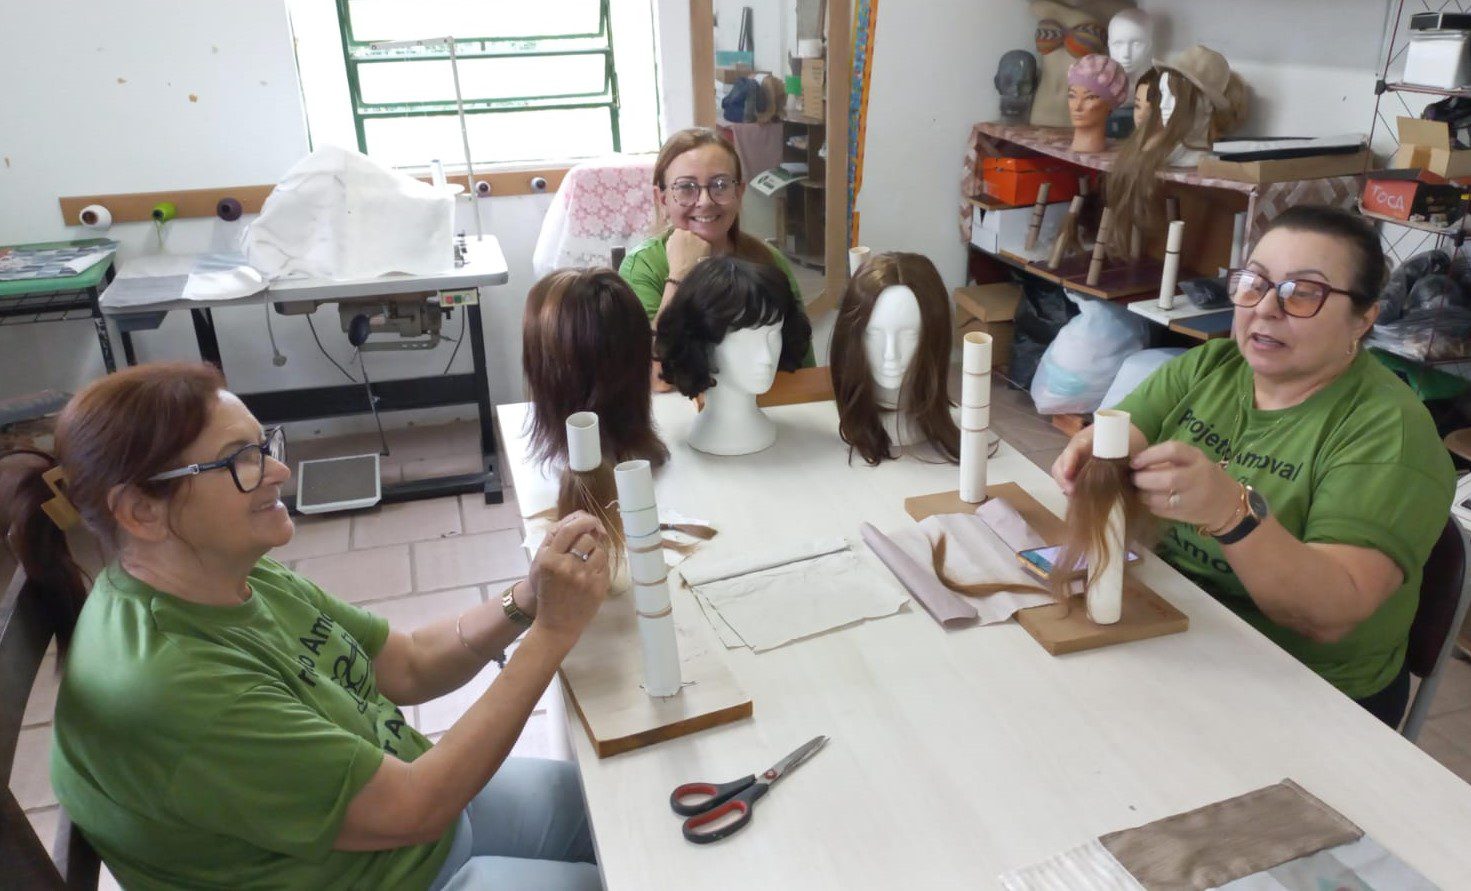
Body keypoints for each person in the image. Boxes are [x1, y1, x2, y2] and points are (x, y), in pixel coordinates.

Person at [1, 363, 610, 890]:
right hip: (396, 856)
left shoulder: (223, 571)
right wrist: (552, 636)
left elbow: (408, 662)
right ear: (140, 511)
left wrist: (527, 599)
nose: (277, 473)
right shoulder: (174, 688)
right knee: (647, 868)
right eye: (241, 461)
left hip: (409, 825)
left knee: (626, 814)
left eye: (263, 445)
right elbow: (417, 806)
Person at [1052, 205, 1454, 728]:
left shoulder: (1388, 434)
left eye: (1304, 293)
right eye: (1254, 283)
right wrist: (1096, 449)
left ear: (1364, 317)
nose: (1265, 308)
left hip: (1303, 691)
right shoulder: (1212, 367)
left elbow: (1329, 613)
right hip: (1182, 627)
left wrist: (1230, 512)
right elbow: (1128, 431)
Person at [619, 127, 814, 386]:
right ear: (662, 197)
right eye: (686, 187)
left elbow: (801, 368)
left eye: (721, 185)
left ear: (739, 192)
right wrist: (680, 274)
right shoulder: (643, 267)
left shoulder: (768, 261)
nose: (705, 201)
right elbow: (656, 380)